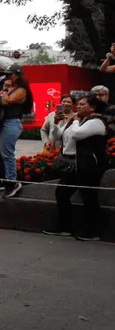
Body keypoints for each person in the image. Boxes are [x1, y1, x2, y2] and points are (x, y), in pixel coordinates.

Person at [43, 95, 108, 241]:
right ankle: (64, 227)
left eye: (82, 104)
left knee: (89, 197)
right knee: (62, 193)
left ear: (92, 108)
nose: (78, 107)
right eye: (77, 104)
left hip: (88, 166)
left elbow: (77, 134)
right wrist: (56, 124)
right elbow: (60, 136)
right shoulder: (76, 121)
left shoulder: (96, 122)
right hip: (71, 164)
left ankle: (93, 232)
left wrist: (76, 121)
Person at [0, 64, 33, 198]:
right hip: (4, 122)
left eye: (10, 75)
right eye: (6, 75)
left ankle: (12, 182)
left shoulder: (21, 90)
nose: (7, 77)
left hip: (12, 122)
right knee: (3, 153)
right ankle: (8, 179)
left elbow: (6, 101)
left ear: (17, 75)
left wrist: (5, 89)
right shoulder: (11, 88)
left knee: (8, 154)